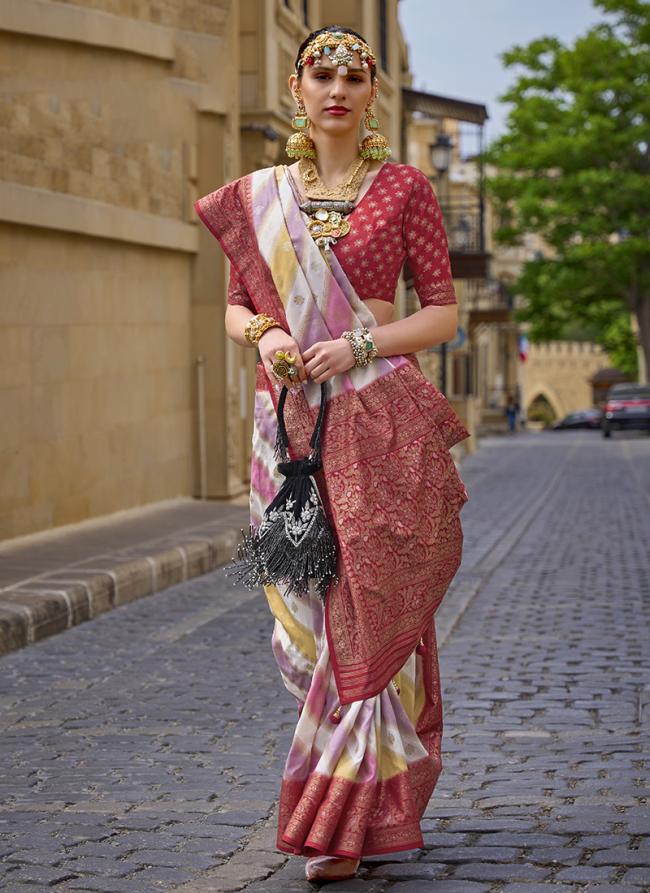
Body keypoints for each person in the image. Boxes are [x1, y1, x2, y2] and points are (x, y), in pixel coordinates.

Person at [194, 25, 470, 884]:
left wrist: (360, 342)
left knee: (373, 606)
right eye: (324, 74)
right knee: (302, 620)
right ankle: (356, 788)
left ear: (374, 90)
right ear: (296, 86)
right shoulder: (259, 195)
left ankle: (347, 822)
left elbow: (443, 313)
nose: (338, 88)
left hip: (378, 419)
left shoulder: (404, 191)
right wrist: (269, 332)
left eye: (356, 74)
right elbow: (235, 308)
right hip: (288, 430)